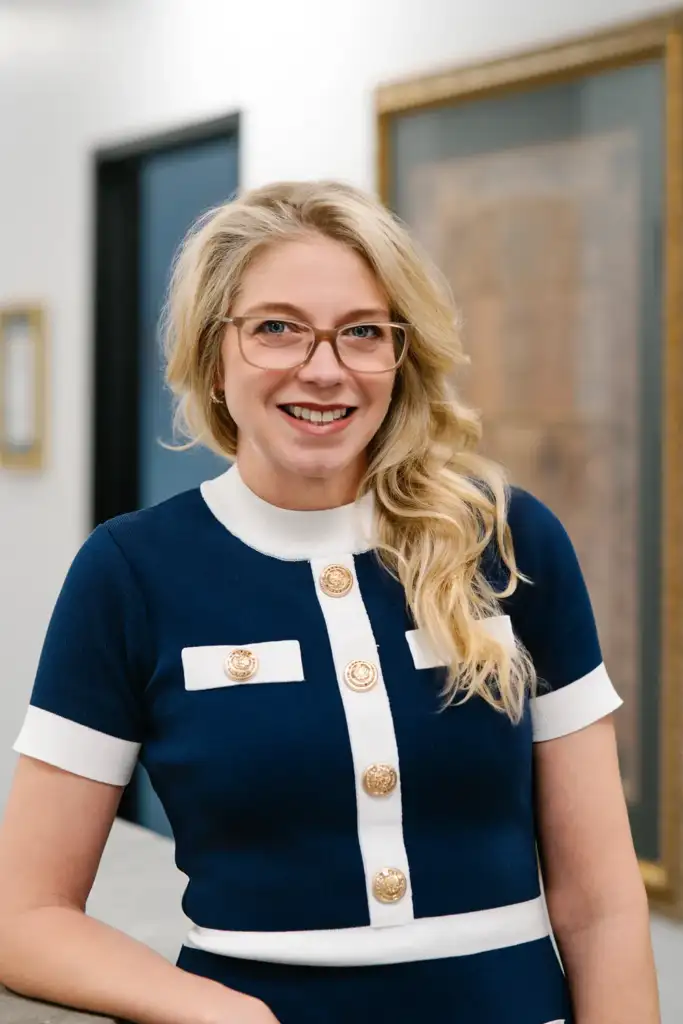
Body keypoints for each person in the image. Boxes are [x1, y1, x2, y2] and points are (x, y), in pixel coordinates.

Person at [0, 180, 659, 1024]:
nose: (324, 368)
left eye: (361, 333)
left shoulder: (508, 541)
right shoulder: (129, 571)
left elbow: (600, 904)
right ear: (213, 354)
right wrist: (221, 1013)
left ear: (399, 354)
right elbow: (26, 916)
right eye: (276, 328)